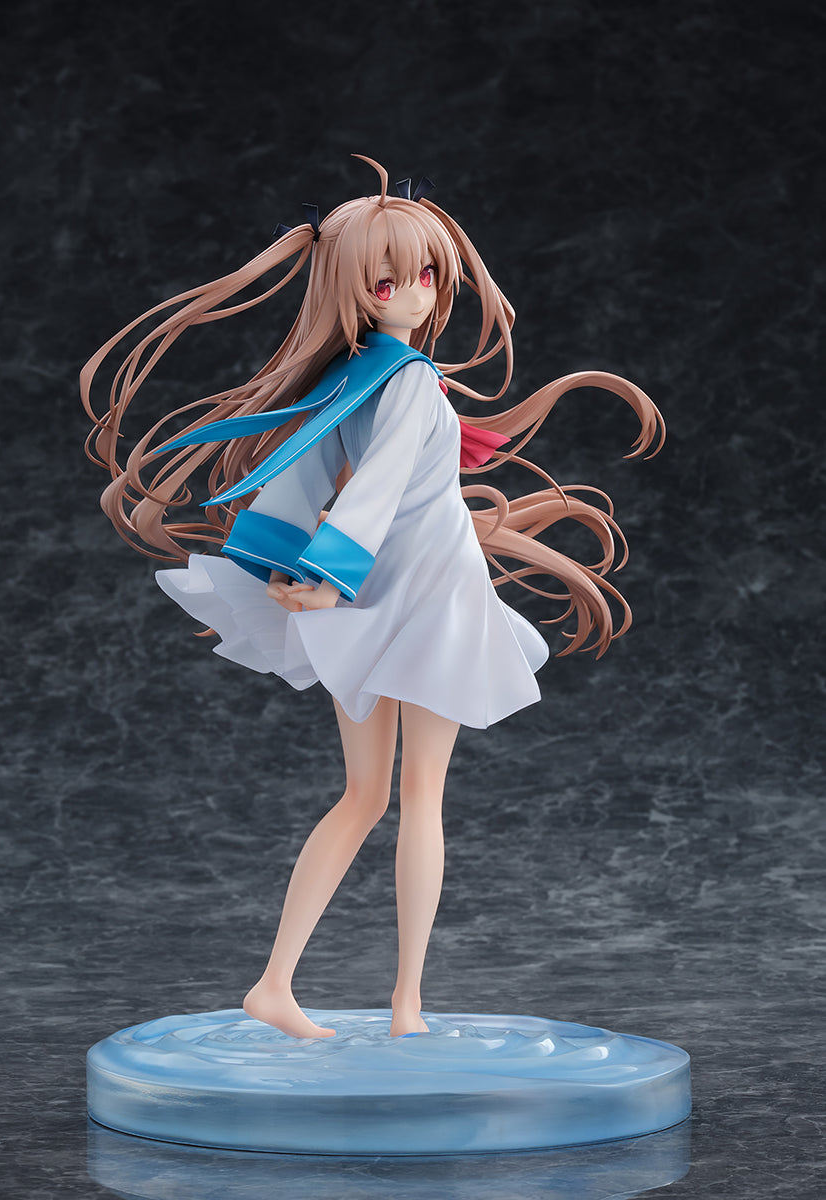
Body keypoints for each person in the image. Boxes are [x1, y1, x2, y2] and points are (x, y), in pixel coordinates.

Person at [81, 155, 664, 1038]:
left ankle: (287, 985)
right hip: (424, 595)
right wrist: (319, 575)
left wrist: (286, 566)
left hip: (375, 595)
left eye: (425, 275)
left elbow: (303, 478)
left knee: (366, 796)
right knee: (415, 798)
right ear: (353, 290)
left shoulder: (355, 375)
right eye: (389, 281)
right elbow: (374, 483)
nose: (415, 293)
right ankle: (402, 1005)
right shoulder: (405, 380)